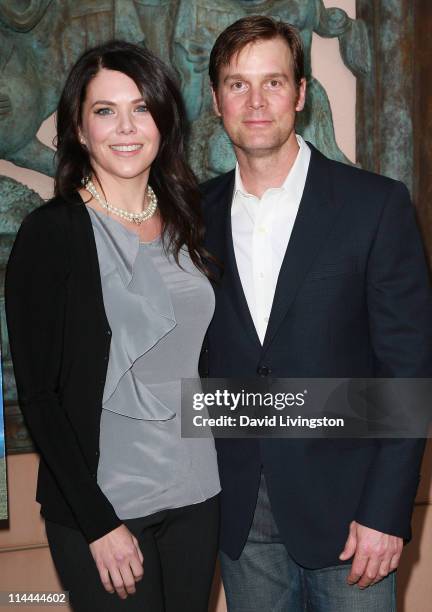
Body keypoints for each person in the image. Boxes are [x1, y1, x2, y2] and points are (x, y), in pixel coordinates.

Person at [200, 15, 432, 611]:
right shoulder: (191, 216)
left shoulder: (374, 206)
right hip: (240, 516)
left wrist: (386, 511)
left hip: (353, 519)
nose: (255, 102)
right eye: (237, 84)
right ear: (217, 99)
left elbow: (407, 369)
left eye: (273, 82)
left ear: (301, 94)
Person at [5, 40, 220, 612]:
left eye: (141, 108)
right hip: (104, 510)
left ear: (164, 121)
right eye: (105, 111)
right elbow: (40, 397)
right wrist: (98, 524)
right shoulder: (51, 235)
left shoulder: (190, 221)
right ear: (79, 128)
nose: (125, 127)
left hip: (199, 495)